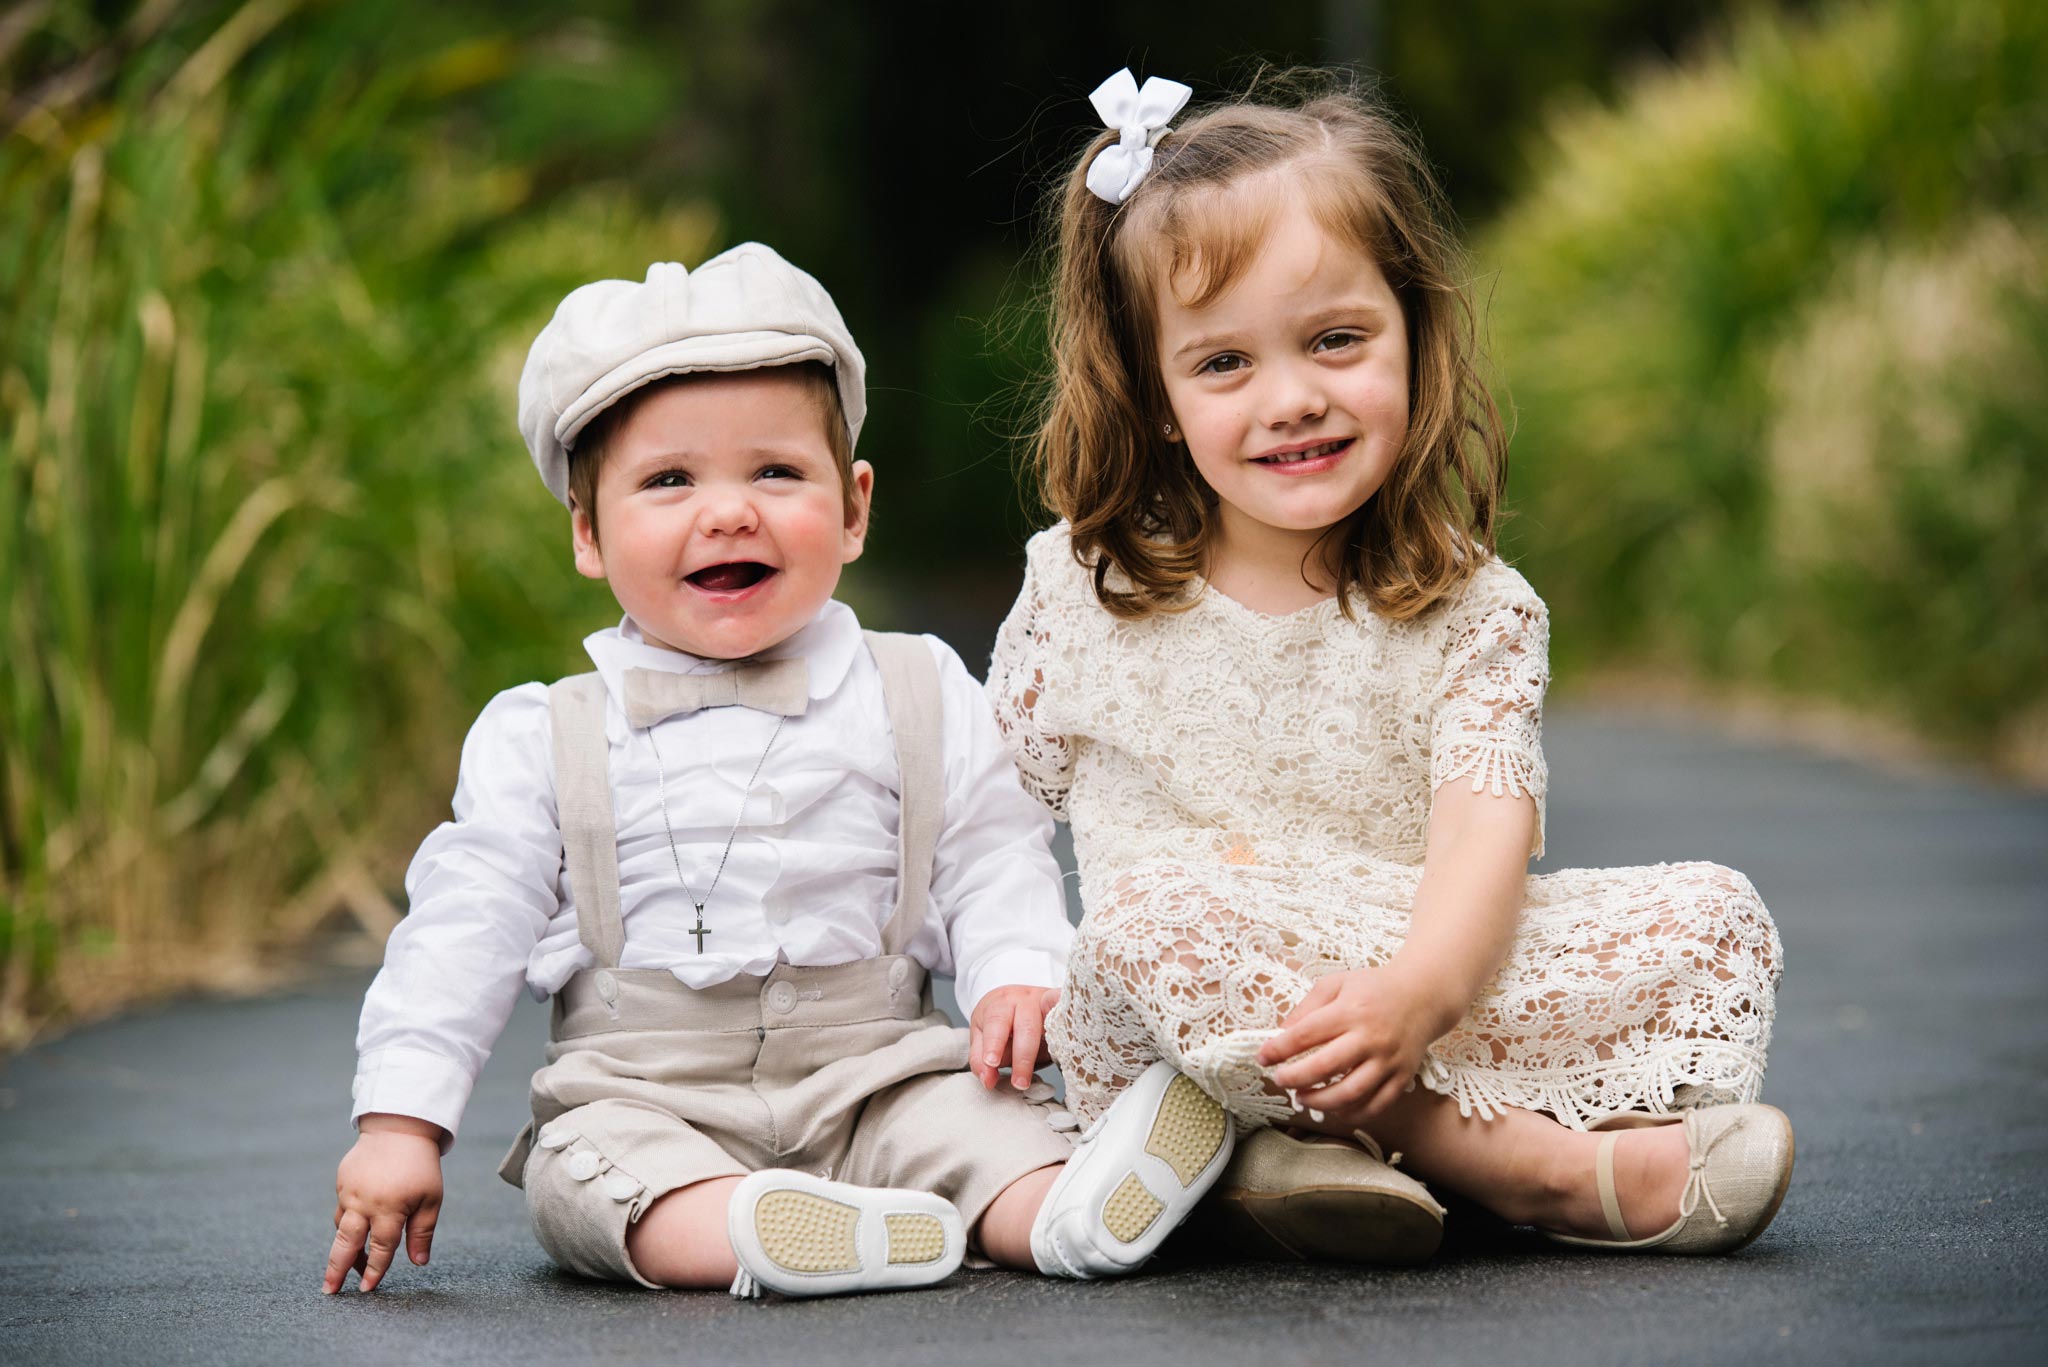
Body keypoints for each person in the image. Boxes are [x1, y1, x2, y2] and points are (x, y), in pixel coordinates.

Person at [986, 69, 1794, 1262]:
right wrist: (1005, 966)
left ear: (1411, 326)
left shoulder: (1474, 608)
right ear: (1155, 394)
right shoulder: (1082, 586)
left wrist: (1417, 992)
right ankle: (1522, 1163)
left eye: (1334, 339)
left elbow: (1483, 835)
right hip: (1184, 992)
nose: (1293, 398)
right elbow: (993, 811)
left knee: (1713, 916)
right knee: (1151, 917)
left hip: (1408, 975)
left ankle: (1283, 1155)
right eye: (1222, 365)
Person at [322, 243, 1233, 1300]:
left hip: (877, 1068)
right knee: (595, 1184)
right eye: (668, 480)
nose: (727, 511)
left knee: (988, 1128)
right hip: (644, 1088)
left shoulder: (915, 684)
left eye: (774, 471)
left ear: (851, 508)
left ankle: (1070, 1210)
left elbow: (991, 851)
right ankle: (774, 1231)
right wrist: (400, 1119)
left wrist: (1015, 972)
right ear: (586, 530)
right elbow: (461, 928)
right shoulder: (544, 732)